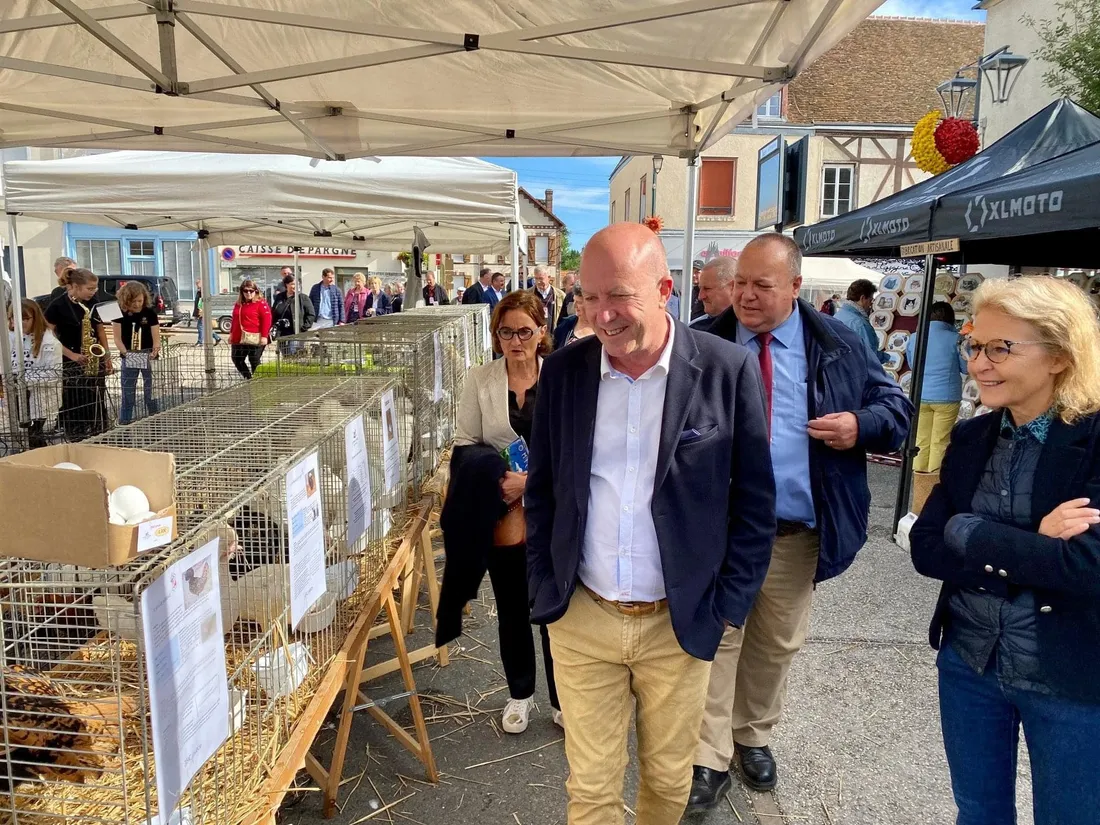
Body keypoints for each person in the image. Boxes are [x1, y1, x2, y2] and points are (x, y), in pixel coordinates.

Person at [526, 223, 776, 825]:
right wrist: (543, 586)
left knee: (667, 787)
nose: (600, 314)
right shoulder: (563, 373)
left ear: (665, 288)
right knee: (590, 791)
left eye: (618, 295)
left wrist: (727, 608)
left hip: (679, 622)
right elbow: (543, 494)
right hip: (583, 617)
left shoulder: (727, 369)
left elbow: (754, 505)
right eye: (587, 296)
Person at [689, 234, 912, 810]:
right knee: (717, 638)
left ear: (795, 286)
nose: (746, 295)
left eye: (762, 285)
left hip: (793, 529)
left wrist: (859, 426)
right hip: (720, 528)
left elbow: (896, 410)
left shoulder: (838, 343)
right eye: (740, 282)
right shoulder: (701, 343)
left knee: (775, 642)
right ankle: (708, 758)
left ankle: (751, 734)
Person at [910, 276, 1100, 825]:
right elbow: (924, 547)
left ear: (1060, 356)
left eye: (1001, 348)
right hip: (970, 660)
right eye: (975, 346)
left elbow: (1087, 565)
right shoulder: (972, 438)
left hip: (1069, 674)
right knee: (978, 812)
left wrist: (971, 533)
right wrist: (1034, 542)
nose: (979, 364)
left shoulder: (1094, 443)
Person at [437, 290, 561, 733]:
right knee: (511, 607)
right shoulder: (479, 379)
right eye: (505, 332)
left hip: (553, 512)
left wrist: (533, 482)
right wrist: (496, 479)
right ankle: (521, 694)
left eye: (524, 331)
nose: (515, 341)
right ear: (496, 336)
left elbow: (578, 450)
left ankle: (562, 698)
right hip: (503, 512)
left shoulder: (561, 377)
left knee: (554, 609)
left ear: (541, 332)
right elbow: (466, 444)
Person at [44, 267, 113, 439]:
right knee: (75, 398)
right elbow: (49, 337)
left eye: (95, 288)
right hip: (70, 358)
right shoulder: (57, 305)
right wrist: (72, 355)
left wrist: (107, 354)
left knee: (95, 397)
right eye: (90, 289)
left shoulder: (93, 301)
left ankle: (98, 429)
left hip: (92, 357)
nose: (94, 292)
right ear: (74, 286)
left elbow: (100, 329)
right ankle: (76, 433)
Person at [906, 301, 967, 473]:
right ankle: (934, 482)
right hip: (947, 396)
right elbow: (965, 368)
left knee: (920, 440)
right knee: (940, 441)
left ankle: (919, 481)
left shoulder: (914, 337)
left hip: (920, 395)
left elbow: (912, 365)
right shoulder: (957, 339)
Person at [5, 298, 61, 448]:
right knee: (21, 434)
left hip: (40, 396)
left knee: (34, 435)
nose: (20, 323)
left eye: (25, 318)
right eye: (15, 318)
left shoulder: (49, 341)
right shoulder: (7, 338)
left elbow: (54, 373)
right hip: (15, 394)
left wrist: (24, 380)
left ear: (35, 317)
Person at [111, 281, 160, 425]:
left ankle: (156, 422)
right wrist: (126, 353)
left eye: (140, 300)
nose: (137, 304)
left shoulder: (149, 313)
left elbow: (156, 337)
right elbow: (117, 338)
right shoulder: (118, 312)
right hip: (130, 354)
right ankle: (125, 422)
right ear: (126, 300)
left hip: (147, 353)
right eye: (133, 302)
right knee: (128, 393)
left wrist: (155, 351)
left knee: (152, 392)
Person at [835, 279, 889, 364]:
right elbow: (870, 356)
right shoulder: (859, 323)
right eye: (871, 300)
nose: (871, 304)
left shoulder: (838, 315)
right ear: (863, 298)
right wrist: (887, 357)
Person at [229, 279, 271, 380]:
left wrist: (264, 336)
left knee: (254, 359)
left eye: (251, 291)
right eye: (245, 291)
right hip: (239, 337)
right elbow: (234, 320)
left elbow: (267, 320)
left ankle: (258, 380)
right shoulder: (238, 304)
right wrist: (231, 334)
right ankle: (248, 378)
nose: (248, 293)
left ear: (256, 291)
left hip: (255, 336)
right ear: (241, 292)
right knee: (237, 359)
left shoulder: (261, 303)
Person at [271, 274, 316, 353]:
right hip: (282, 333)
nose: (295, 286)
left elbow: (311, 314)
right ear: (286, 285)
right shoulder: (280, 297)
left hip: (296, 333)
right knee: (285, 355)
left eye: (297, 284)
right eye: (292, 284)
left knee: (293, 353)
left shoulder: (303, 298)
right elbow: (274, 311)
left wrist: (304, 327)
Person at [690, 258, 737, 333]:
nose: (700, 297)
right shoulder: (694, 331)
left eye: (707, 289)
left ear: (733, 287)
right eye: (700, 289)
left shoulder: (755, 329)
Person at [552, 282, 595, 349]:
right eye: (574, 300)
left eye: (579, 302)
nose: (574, 306)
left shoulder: (604, 328)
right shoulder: (565, 325)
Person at [530, 265, 565, 330]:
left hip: (554, 335)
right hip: (535, 335)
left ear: (549, 278)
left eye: (541, 278)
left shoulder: (560, 295)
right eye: (536, 278)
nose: (538, 282)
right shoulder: (528, 294)